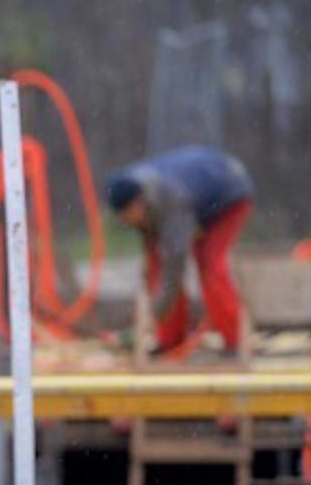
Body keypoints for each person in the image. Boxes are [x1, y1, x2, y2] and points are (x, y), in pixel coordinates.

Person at [106, 146, 254, 354]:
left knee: (209, 262)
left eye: (128, 216)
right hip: (195, 198)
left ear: (138, 203)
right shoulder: (136, 192)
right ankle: (170, 340)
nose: (127, 223)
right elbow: (156, 261)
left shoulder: (170, 200)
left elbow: (175, 265)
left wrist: (152, 317)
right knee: (158, 268)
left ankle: (236, 341)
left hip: (229, 193)